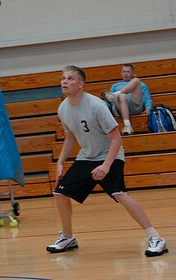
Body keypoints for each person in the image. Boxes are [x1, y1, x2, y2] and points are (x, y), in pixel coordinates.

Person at [47, 65, 167, 257]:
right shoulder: (63, 108)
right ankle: (68, 237)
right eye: (63, 78)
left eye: (70, 78)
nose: (65, 82)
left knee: (120, 194)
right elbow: (70, 138)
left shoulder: (96, 105)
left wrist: (106, 165)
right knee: (60, 194)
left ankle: (155, 237)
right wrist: (61, 161)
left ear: (81, 84)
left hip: (110, 154)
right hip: (86, 157)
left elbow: (116, 138)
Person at [101, 64, 152, 136]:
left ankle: (115, 95)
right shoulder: (115, 86)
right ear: (121, 73)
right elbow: (108, 102)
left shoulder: (141, 84)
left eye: (128, 72)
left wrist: (148, 108)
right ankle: (127, 126)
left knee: (136, 80)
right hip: (120, 107)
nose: (125, 73)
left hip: (134, 105)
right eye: (124, 71)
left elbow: (147, 98)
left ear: (132, 73)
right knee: (122, 96)